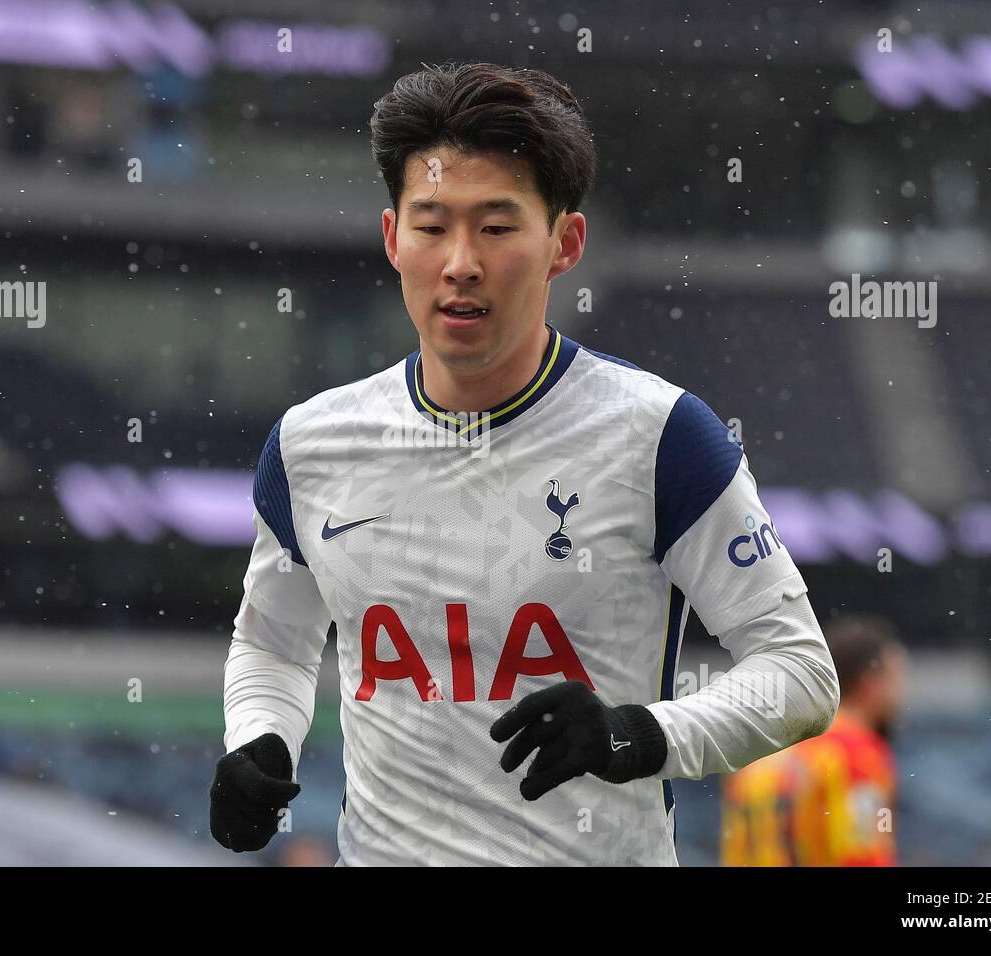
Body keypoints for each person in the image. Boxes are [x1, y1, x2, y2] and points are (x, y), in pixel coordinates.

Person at [211, 61, 840, 866]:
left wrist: (638, 733)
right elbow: (274, 643)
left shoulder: (661, 436)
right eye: (431, 224)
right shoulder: (309, 444)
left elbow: (799, 671)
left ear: (564, 243)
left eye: (498, 227)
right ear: (391, 237)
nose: (461, 261)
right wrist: (260, 739)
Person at [721, 614, 906, 866]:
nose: (903, 693)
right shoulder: (856, 752)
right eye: (896, 678)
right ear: (870, 684)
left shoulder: (764, 751)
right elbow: (863, 853)